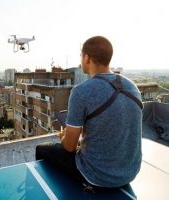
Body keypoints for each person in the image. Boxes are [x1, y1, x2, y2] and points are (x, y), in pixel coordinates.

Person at [36, 36, 143, 190]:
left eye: (81, 55)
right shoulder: (132, 86)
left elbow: (69, 148)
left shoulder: (81, 91)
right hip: (130, 173)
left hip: (97, 176)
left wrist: (64, 137)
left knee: (41, 149)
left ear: (87, 58)